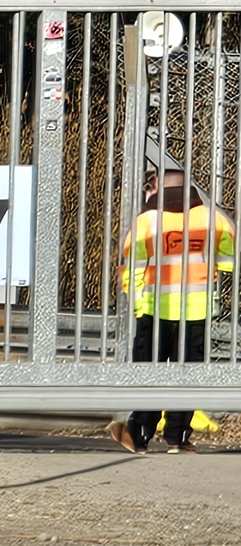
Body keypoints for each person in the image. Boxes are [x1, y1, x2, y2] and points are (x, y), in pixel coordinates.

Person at [110, 168, 236, 453]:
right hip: (197, 308)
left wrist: (136, 300)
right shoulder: (213, 219)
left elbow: (132, 267)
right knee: (187, 373)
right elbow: (229, 260)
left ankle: (139, 434)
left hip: (154, 308)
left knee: (149, 371)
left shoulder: (146, 221)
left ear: (159, 189)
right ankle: (177, 439)